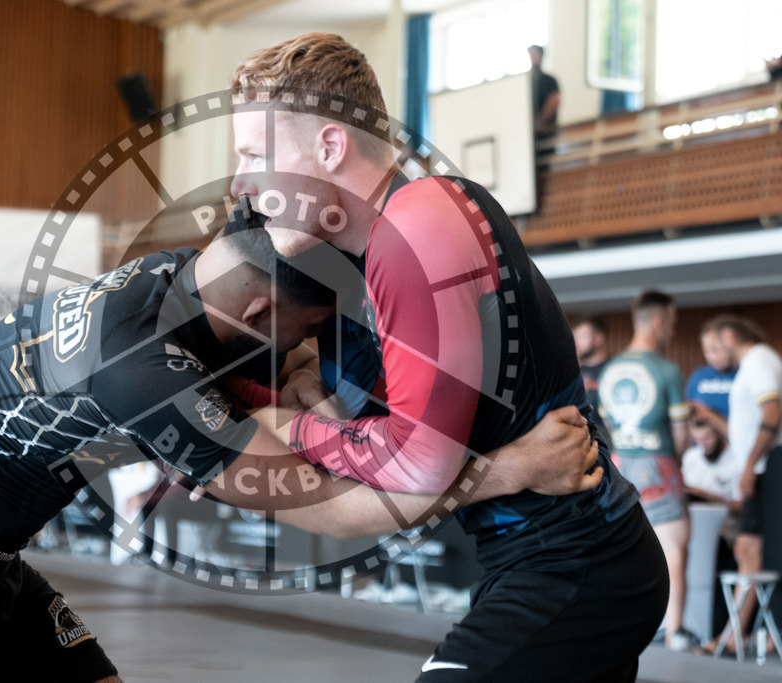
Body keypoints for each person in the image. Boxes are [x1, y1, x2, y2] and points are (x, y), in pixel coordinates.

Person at [0, 222, 600, 682]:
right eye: (310, 325)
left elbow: (293, 398)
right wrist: (507, 468)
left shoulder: (182, 283)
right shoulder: (141, 366)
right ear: (259, 308)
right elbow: (320, 510)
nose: (315, 346)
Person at [229, 32, 666, 682]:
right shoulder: (360, 265)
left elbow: (419, 459)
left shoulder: (419, 225)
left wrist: (292, 427)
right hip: (523, 561)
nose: (241, 180)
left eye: (256, 153)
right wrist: (275, 395)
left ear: (329, 145)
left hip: (578, 559)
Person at [597, 290, 692, 651]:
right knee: (674, 548)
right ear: (658, 321)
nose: (671, 330)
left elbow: (607, 423)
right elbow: (681, 436)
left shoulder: (609, 371)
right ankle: (675, 631)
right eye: (671, 323)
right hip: (660, 467)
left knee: (620, 549)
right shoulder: (667, 371)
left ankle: (620, 625)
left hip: (620, 466)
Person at [701, 315, 782, 654]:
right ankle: (736, 636)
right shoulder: (755, 364)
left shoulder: (760, 360)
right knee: (749, 551)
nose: (711, 359)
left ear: (730, 337)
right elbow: (747, 427)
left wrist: (749, 466)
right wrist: (711, 419)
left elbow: (772, 414)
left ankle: (732, 638)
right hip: (762, 469)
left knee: (750, 551)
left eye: (713, 349)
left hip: (766, 470)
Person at [687, 320, 737, 431]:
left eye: (715, 350)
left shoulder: (743, 374)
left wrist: (709, 415)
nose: (711, 357)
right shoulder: (699, 375)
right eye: (707, 351)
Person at [573, 315, 613, 446]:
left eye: (582, 337)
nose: (577, 342)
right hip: (581, 436)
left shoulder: (613, 370)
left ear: (599, 338)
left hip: (608, 438)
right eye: (576, 338)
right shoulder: (575, 372)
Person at [528, 44, 560, 140]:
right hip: (530, 135)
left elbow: (554, 100)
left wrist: (539, 121)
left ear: (541, 57)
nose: (532, 59)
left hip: (546, 134)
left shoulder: (549, 80)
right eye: (531, 55)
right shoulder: (528, 82)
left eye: (535, 55)